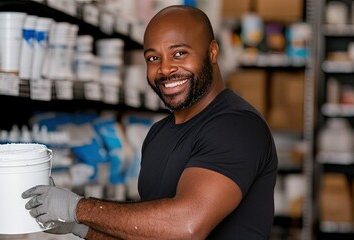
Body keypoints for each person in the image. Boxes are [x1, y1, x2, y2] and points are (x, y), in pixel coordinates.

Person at [23, 5, 278, 239]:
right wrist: (80, 227)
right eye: (153, 58)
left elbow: (186, 226)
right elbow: (150, 234)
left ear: (212, 52)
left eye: (179, 53)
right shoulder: (158, 133)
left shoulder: (237, 126)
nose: (165, 70)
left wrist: (78, 208)